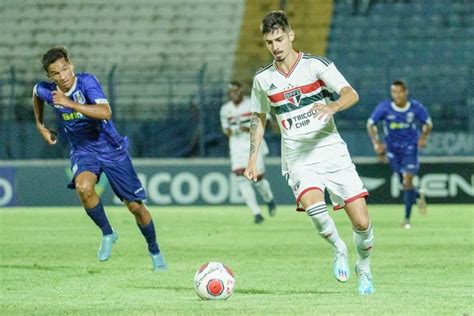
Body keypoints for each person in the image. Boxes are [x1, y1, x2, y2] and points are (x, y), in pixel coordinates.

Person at [244, 11, 375, 295]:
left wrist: (332, 107)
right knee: (315, 207)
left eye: (279, 39)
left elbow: (351, 93)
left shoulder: (317, 66)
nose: (276, 46)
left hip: (331, 152)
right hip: (298, 156)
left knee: (362, 224)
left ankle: (363, 267)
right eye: (269, 42)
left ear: (291, 35)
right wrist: (252, 160)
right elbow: (259, 117)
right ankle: (339, 248)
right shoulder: (263, 79)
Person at [32, 47, 167, 271]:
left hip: (111, 149)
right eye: (56, 73)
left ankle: (155, 251)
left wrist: (71, 104)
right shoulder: (49, 91)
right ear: (50, 76)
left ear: (71, 65)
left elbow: (105, 112)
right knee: (83, 188)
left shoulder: (86, 83)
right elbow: (36, 93)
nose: (63, 76)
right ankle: (108, 233)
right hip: (83, 150)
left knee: (135, 207)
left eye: (65, 69)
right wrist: (40, 125)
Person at [367, 80, 432, 229]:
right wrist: (376, 143)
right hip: (392, 149)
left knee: (407, 180)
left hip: (410, 147)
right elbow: (370, 124)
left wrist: (422, 138)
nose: (397, 95)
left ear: (405, 92)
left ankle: (407, 219)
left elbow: (428, 123)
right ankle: (416, 195)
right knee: (404, 181)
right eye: (394, 92)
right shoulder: (384, 107)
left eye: (399, 92)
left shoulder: (415, 107)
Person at [220, 81, 276, 224]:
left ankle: (269, 199)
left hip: (253, 144)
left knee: (257, 180)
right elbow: (226, 130)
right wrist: (231, 131)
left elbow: (267, 123)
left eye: (236, 90)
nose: (234, 94)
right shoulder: (225, 109)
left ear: (241, 91)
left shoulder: (253, 103)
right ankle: (256, 213)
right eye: (231, 92)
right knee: (241, 178)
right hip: (237, 147)